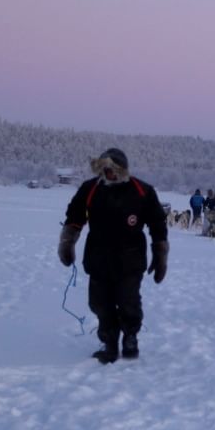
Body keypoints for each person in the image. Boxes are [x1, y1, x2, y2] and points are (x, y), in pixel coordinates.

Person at [58, 148, 168, 363]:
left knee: (128, 302)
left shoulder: (142, 190)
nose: (109, 174)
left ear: (123, 170)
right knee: (99, 303)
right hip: (98, 258)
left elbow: (157, 223)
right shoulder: (90, 189)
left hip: (131, 259)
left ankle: (130, 337)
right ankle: (109, 342)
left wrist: (160, 253)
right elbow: (74, 216)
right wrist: (67, 242)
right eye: (105, 169)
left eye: (114, 170)